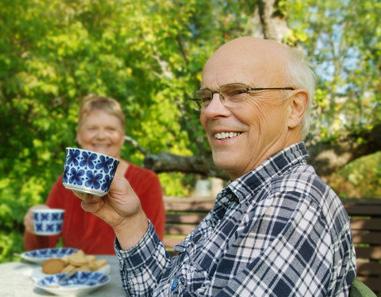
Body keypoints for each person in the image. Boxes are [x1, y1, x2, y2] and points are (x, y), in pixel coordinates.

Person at [76, 37, 356, 296]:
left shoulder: (292, 205)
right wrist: (129, 222)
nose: (210, 111)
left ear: (294, 107)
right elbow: (162, 290)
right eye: (206, 97)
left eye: (237, 92)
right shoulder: (249, 197)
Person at [23, 95, 165, 255]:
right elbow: (40, 251)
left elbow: (154, 248)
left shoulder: (147, 181)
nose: (101, 136)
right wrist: (34, 227)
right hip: (78, 277)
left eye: (111, 129)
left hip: (127, 277)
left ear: (122, 136)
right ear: (78, 135)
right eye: (92, 129)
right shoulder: (66, 183)